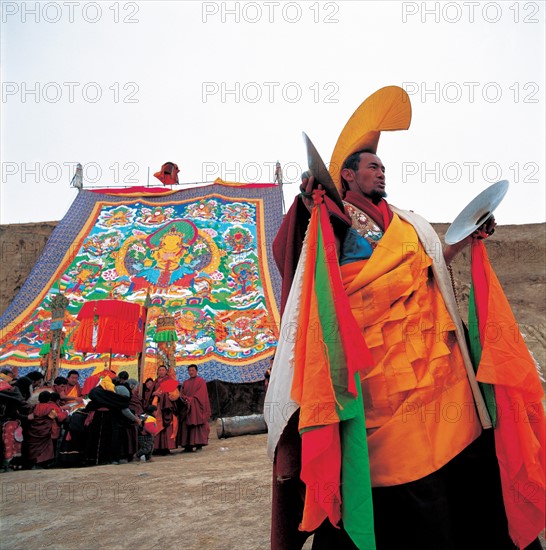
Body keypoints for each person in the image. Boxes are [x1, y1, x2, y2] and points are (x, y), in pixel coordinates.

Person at [266, 88, 544, 550]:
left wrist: (470, 235)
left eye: (382, 166)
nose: (381, 171)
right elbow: (298, 252)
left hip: (437, 372)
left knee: (463, 464)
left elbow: (432, 265)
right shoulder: (332, 217)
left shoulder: (406, 223)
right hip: (376, 378)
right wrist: (307, 196)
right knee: (396, 473)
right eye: (371, 165)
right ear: (346, 176)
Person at [179, 364, 211, 452]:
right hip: (187, 408)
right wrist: (184, 399)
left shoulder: (201, 381)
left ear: (196, 371)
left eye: (193, 370)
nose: (191, 372)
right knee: (186, 425)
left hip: (197, 407)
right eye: (189, 371)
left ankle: (198, 445)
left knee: (198, 425)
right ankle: (188, 446)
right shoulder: (185, 382)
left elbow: (201, 395)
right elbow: (181, 393)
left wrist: (190, 400)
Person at [151, 365, 179, 455]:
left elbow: (174, 395)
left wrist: (162, 395)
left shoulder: (169, 381)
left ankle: (166, 447)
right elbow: (149, 393)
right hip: (157, 407)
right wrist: (153, 393)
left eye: (163, 370)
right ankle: (157, 447)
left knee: (167, 426)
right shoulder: (155, 382)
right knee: (156, 425)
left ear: (166, 372)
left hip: (166, 407)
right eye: (159, 370)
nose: (161, 372)